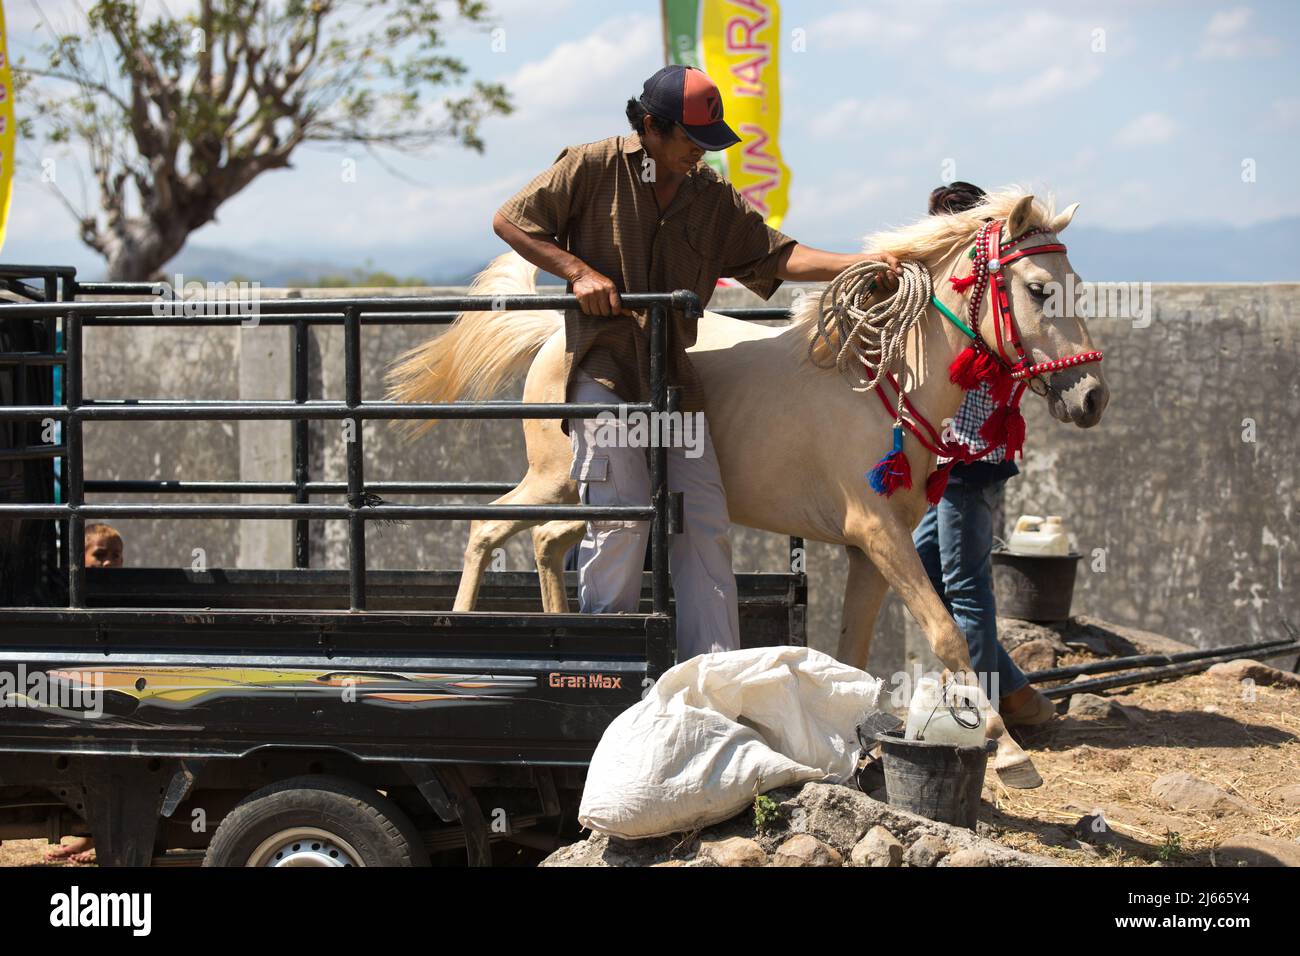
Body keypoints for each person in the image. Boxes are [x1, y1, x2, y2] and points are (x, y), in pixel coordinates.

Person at [494, 65, 899, 660]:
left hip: (674, 387)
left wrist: (861, 262)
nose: (700, 155)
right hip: (606, 376)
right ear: (651, 127)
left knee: (704, 524)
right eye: (691, 141)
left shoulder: (711, 198)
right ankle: (604, 672)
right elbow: (512, 220)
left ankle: (712, 680)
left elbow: (778, 255)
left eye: (708, 143)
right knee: (624, 521)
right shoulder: (590, 166)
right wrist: (579, 273)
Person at [913, 183, 1055, 727]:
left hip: (967, 462)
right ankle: (1019, 696)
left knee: (967, 591)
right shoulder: (983, 294)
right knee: (925, 574)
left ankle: (982, 710)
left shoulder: (975, 298)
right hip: (965, 462)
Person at [44, 523, 124, 863]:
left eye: (116, 557)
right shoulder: (71, 590)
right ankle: (89, 834)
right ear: (81, 558)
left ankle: (95, 837)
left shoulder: (122, 591)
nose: (108, 564)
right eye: (100, 556)